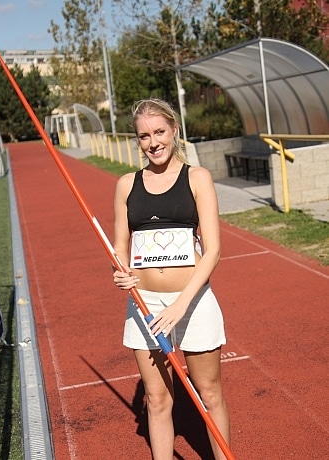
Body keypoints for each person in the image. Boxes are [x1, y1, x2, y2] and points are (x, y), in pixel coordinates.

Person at [112, 98, 230, 460]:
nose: (153, 142)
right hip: (145, 304)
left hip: (191, 302)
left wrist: (181, 305)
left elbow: (212, 251)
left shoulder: (197, 178)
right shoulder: (125, 184)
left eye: (159, 131)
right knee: (157, 400)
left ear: (174, 130)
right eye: (144, 135)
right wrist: (119, 271)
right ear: (137, 140)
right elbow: (119, 246)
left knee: (208, 394)